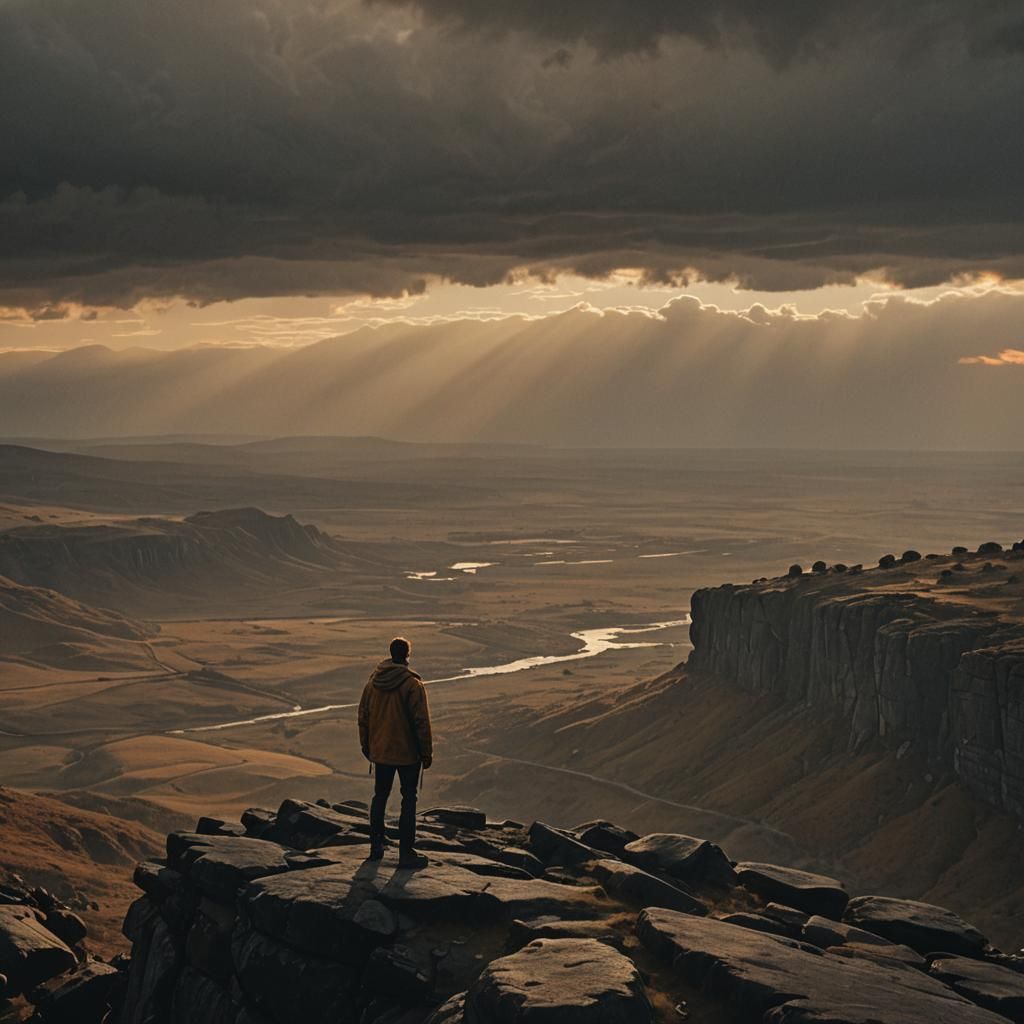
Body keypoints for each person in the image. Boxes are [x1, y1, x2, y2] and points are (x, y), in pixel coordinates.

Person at [357, 636, 433, 867]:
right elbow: (421, 722)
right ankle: (406, 853)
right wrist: (426, 753)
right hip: (408, 754)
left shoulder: (372, 683)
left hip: (381, 753)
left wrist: (367, 747)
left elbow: (363, 717)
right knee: (408, 799)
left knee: (380, 797)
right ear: (407, 656)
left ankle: (375, 848)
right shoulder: (412, 685)